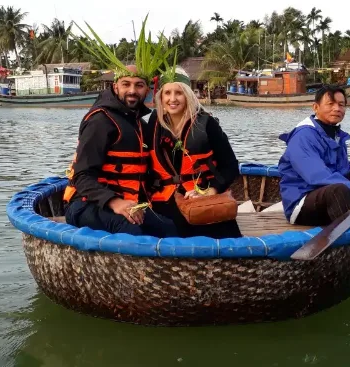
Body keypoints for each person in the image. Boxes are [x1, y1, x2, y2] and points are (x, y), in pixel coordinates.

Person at [63, 65, 179, 237]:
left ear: (147, 89)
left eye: (139, 85)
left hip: (128, 202)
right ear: (115, 86)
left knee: (169, 228)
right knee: (130, 230)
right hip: (86, 203)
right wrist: (115, 202)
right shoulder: (100, 121)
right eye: (126, 84)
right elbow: (82, 176)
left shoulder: (139, 122)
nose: (132, 91)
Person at [277, 84, 350, 226]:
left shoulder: (334, 133)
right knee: (338, 190)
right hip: (302, 203)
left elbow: (342, 169)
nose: (337, 109)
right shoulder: (303, 136)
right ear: (315, 107)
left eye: (341, 105)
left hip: (329, 194)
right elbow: (317, 174)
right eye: (330, 104)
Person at [147, 67, 242, 239]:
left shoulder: (207, 124)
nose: (172, 99)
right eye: (167, 93)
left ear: (188, 96)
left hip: (203, 200)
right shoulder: (154, 123)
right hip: (164, 200)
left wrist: (211, 191)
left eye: (179, 93)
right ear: (160, 97)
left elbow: (230, 165)